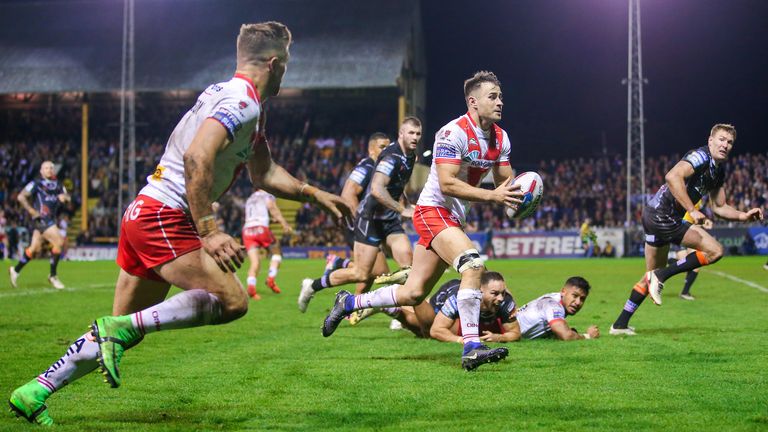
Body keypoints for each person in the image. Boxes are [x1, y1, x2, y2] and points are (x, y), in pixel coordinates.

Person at [9, 21, 352, 426]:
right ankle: (112, 331)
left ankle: (34, 391)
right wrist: (209, 229)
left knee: (127, 329)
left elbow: (264, 174)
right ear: (274, 63)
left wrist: (313, 193)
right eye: (287, 65)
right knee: (233, 301)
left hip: (145, 212)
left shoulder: (237, 102)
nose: (286, 73)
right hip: (165, 215)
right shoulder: (243, 102)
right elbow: (196, 157)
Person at [320, 71, 523, 371]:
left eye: (500, 96)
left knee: (413, 293)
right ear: (473, 101)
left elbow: (507, 181)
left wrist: (522, 195)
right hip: (432, 210)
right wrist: (493, 197)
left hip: (453, 217)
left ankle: (349, 302)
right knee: (473, 265)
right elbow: (447, 184)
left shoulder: (500, 138)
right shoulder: (452, 133)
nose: (500, 101)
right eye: (492, 96)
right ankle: (471, 347)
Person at [610, 124, 763, 336]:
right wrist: (692, 209)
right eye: (721, 139)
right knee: (715, 251)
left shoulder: (718, 171)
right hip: (663, 216)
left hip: (654, 216)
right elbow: (672, 177)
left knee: (649, 276)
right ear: (710, 141)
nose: (725, 145)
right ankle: (662, 275)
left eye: (729, 142)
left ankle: (619, 324)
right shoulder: (700, 156)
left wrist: (743, 215)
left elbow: (719, 206)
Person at [298, 118, 422, 312]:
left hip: (388, 221)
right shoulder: (375, 164)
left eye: (418, 134)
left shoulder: (410, 157)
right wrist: (359, 223)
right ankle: (314, 286)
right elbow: (357, 192)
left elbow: (397, 185)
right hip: (368, 221)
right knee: (364, 274)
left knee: (408, 266)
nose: (415, 137)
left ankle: (404, 314)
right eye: (411, 133)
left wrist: (406, 204)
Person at [321, 132, 391, 294]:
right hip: (356, 225)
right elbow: (348, 193)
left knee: (368, 273)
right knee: (380, 271)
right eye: (382, 147)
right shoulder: (367, 166)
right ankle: (339, 265)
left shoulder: (380, 170)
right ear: (371, 150)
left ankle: (353, 307)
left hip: (361, 225)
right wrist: (361, 222)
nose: (386, 151)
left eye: (389, 147)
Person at [8, 161, 70, 289]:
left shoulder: (58, 185)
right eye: (46, 168)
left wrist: (65, 198)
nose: (49, 170)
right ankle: (53, 276)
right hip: (42, 218)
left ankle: (15, 270)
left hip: (51, 220)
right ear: (41, 171)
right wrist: (31, 211)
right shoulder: (36, 183)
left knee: (34, 249)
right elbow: (21, 197)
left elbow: (67, 197)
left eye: (51, 168)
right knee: (59, 241)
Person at [242, 189, 293, 300]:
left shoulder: (250, 198)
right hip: (261, 229)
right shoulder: (267, 195)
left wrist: (269, 219)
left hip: (247, 230)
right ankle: (270, 279)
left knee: (255, 262)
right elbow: (272, 208)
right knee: (276, 252)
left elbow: (255, 215)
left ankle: (251, 287)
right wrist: (284, 223)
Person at [514, 276, 599, 341]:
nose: (578, 302)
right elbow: (566, 336)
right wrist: (587, 336)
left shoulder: (554, 298)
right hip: (504, 331)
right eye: (575, 296)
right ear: (563, 292)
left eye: (582, 299)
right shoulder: (554, 306)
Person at [673, 199, 712, 301]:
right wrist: (702, 223)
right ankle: (668, 265)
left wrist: (704, 221)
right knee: (690, 264)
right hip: (682, 232)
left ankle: (685, 292)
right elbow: (687, 218)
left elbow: (695, 217)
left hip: (688, 233)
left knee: (692, 265)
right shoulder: (688, 196)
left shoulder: (699, 199)